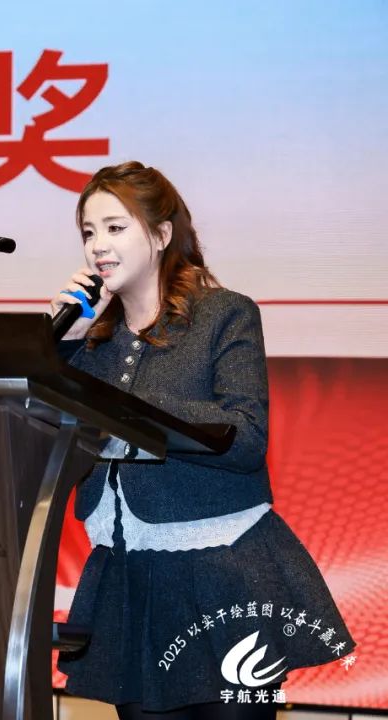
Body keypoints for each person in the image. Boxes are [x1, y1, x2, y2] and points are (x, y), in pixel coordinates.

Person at [51, 161, 355, 719]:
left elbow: (246, 437)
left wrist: (134, 407)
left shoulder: (224, 314)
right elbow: (55, 445)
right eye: (89, 232)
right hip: (128, 579)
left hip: (223, 574)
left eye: (115, 227)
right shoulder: (92, 341)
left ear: (162, 234)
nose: (98, 246)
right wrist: (62, 346)